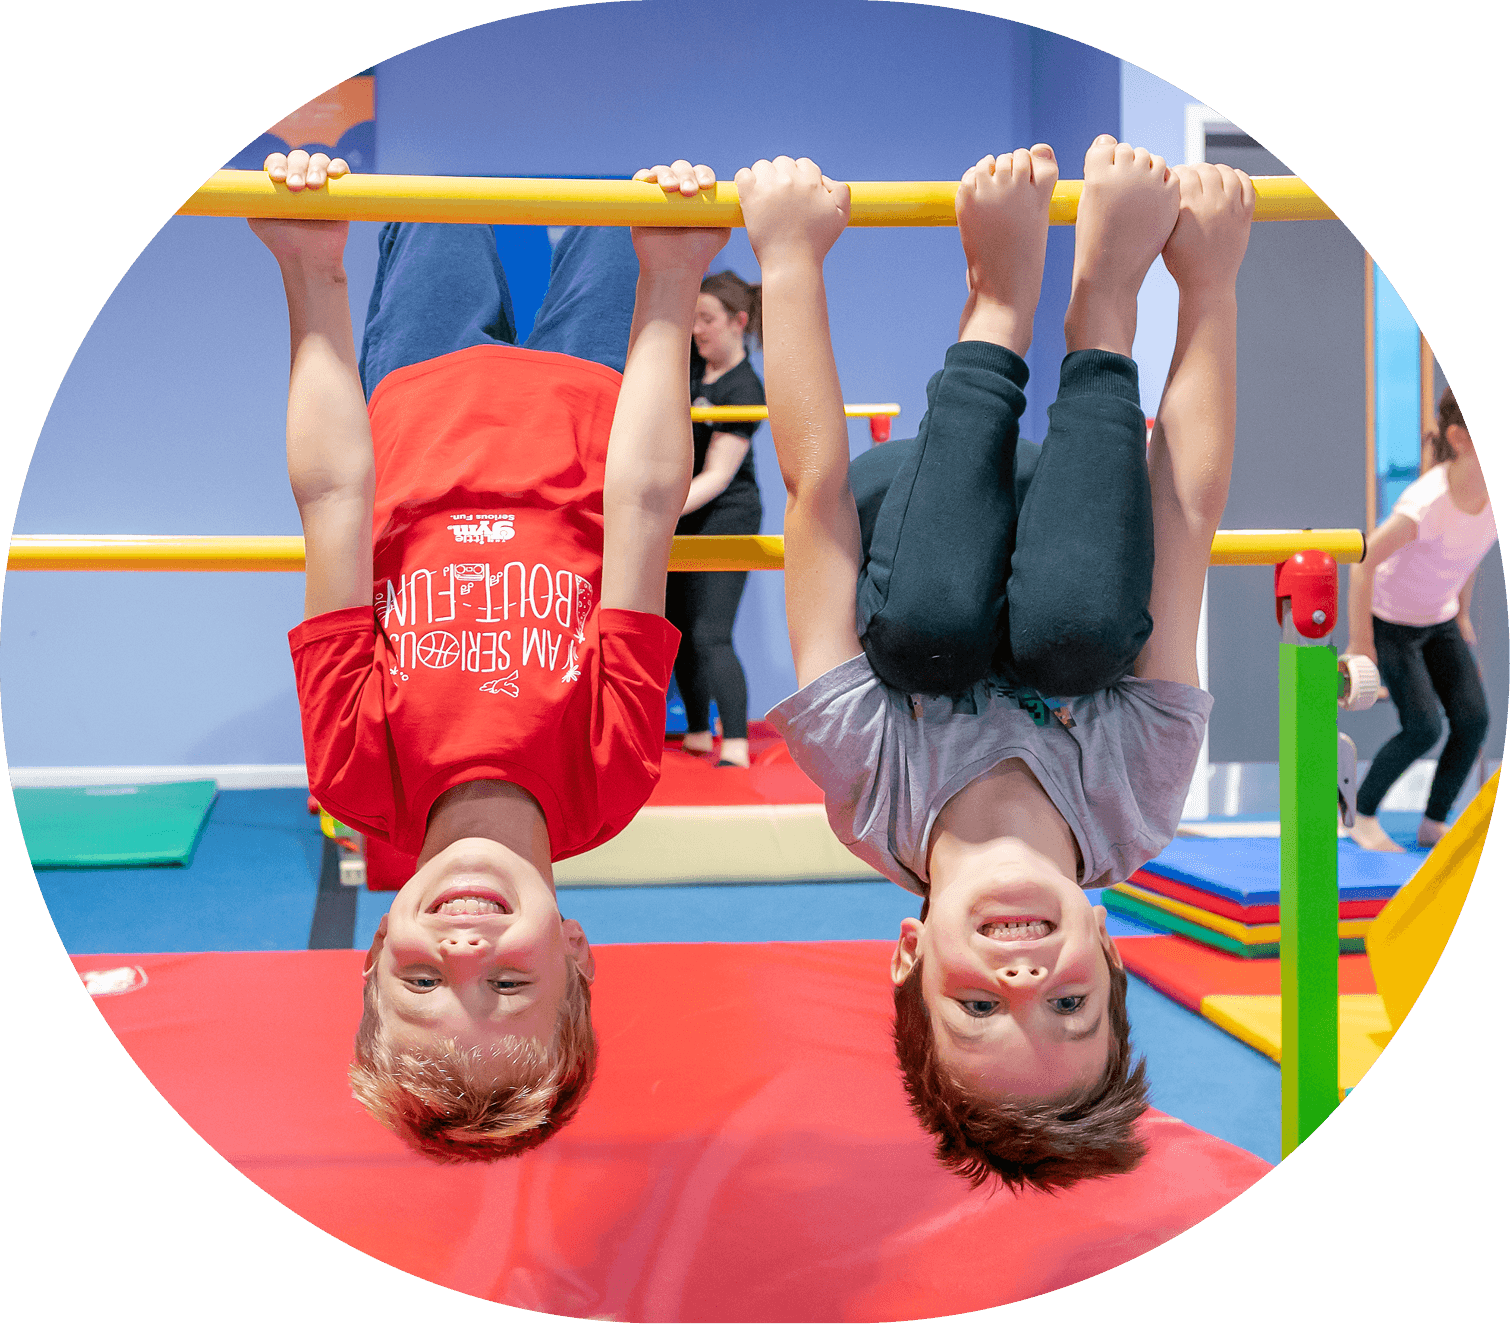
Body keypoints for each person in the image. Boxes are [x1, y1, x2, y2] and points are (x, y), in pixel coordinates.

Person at [741, 139, 1253, 1190]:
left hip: (907, 516)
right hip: (1073, 510)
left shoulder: (872, 792)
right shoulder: (1135, 799)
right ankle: (1102, 304)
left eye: (978, 1006)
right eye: (1067, 1004)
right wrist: (1208, 284)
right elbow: (1184, 521)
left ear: (909, 956)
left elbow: (816, 499)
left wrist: (788, 260)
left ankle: (998, 300)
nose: (1023, 976)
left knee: (925, 640)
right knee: (1077, 639)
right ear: (1106, 951)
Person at [250, 150, 729, 1160]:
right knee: (634, 204)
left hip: (417, 396)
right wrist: (673, 285)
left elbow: (334, 498)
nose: (464, 950)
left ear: (377, 951)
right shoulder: (608, 776)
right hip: (596, 406)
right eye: (506, 985)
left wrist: (311, 274)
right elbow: (644, 507)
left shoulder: (355, 771)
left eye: (423, 981)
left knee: (434, 191)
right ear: (575, 954)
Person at [1344, 387, 1495, 851]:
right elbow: (1363, 564)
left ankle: (1433, 822)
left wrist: (1462, 614)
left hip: (1439, 619)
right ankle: (1359, 813)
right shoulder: (1426, 503)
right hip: (1391, 622)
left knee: (1473, 719)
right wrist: (1362, 643)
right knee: (1423, 727)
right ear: (1460, 438)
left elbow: (1467, 557)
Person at [668, 271, 766, 768]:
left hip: (726, 512)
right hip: (682, 508)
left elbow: (718, 476)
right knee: (677, 629)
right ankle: (698, 731)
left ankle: (737, 744)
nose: (697, 329)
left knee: (710, 631)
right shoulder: (688, 365)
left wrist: (656, 513)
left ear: (738, 322)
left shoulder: (744, 386)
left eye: (706, 319)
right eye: (693, 319)